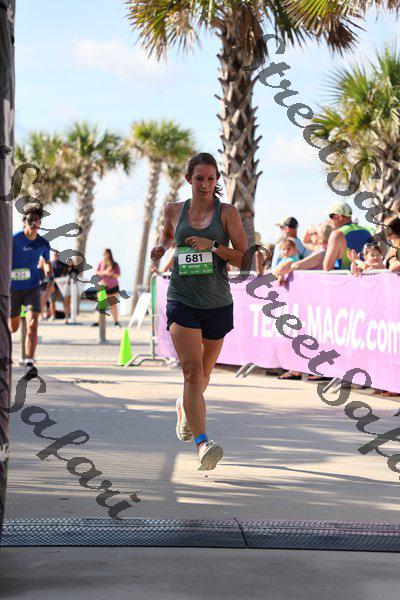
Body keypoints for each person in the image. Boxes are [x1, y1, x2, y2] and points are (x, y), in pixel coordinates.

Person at [150, 152, 248, 471]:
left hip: (217, 302)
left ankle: (184, 406)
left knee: (203, 375)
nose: (205, 184)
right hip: (182, 299)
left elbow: (244, 259)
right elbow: (168, 236)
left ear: (217, 180)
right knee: (192, 372)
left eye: (210, 178)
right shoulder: (173, 210)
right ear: (188, 179)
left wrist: (214, 247)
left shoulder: (227, 213)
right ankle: (203, 443)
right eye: (199, 178)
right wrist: (162, 248)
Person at [275, 223, 332, 381]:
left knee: (313, 334)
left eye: (314, 234)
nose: (311, 236)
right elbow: (305, 243)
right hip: (313, 299)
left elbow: (298, 265)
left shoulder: (321, 252)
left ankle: (314, 369)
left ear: (319, 236)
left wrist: (285, 270)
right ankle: (299, 368)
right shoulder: (319, 250)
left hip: (316, 299)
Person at [9, 203, 53, 379]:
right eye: (30, 220)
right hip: (12, 288)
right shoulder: (14, 239)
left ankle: (29, 363)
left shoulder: (43, 243)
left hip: (32, 288)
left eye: (37, 221)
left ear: (40, 223)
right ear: (24, 222)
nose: (34, 224)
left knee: (33, 324)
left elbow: (47, 262)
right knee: (13, 327)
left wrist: (49, 277)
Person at [323, 202, 372, 270]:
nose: (329, 220)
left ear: (338, 217)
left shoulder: (337, 234)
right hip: (367, 275)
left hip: (346, 276)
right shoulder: (366, 231)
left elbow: (327, 267)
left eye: (331, 216)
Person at [92, 248, 121, 327]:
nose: (103, 255)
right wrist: (104, 272)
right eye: (103, 253)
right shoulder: (101, 263)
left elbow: (118, 274)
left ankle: (116, 322)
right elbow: (96, 272)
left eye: (105, 253)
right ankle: (98, 321)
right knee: (101, 305)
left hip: (113, 287)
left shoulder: (115, 264)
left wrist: (112, 274)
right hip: (102, 287)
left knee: (113, 305)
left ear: (108, 254)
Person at [49, 250, 67, 321]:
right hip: (53, 285)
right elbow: (48, 274)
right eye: (55, 255)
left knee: (64, 301)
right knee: (52, 301)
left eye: (57, 255)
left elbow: (65, 275)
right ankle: (53, 316)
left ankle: (66, 316)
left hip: (61, 286)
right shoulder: (50, 264)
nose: (56, 256)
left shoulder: (63, 264)